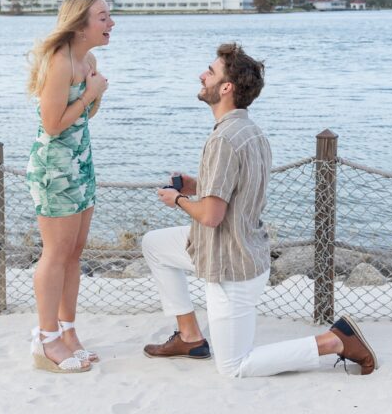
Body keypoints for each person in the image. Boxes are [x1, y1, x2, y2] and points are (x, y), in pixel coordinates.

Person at [142, 43, 377, 377]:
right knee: (154, 244)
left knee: (234, 367)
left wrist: (177, 200)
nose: (201, 75)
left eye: (209, 71)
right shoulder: (251, 132)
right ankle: (190, 337)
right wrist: (196, 185)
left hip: (230, 265)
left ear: (226, 87)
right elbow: (235, 191)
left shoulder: (223, 140)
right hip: (232, 246)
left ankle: (334, 341)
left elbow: (211, 216)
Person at [26, 0, 114, 373]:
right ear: (80, 25)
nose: (111, 23)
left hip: (81, 161)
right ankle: (46, 340)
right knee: (56, 252)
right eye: (103, 17)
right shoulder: (60, 62)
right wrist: (92, 93)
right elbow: (52, 124)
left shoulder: (88, 59)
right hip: (55, 166)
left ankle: (68, 330)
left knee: (75, 252)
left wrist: (95, 96)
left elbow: (83, 117)